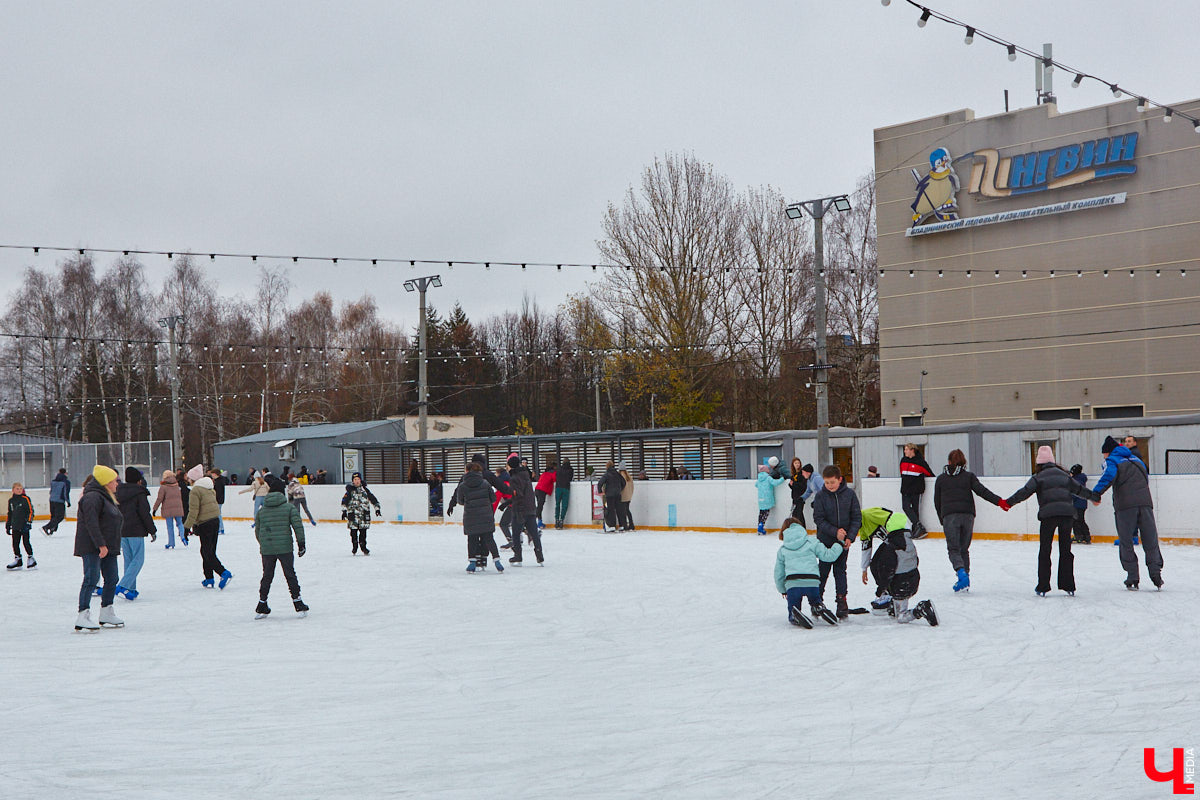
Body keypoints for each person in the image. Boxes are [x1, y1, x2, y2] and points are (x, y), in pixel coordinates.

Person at [1004, 446, 1099, 597]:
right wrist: (1095, 497)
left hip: (1048, 516)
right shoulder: (1065, 476)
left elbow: (1024, 492)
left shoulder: (1038, 477)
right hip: (1067, 515)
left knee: (1045, 550)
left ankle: (1043, 586)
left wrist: (1008, 503)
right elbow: (1080, 490)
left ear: (1039, 463)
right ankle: (1068, 585)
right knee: (1065, 550)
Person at [1091, 435, 1163, 590]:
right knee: (1151, 539)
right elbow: (1145, 480)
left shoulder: (1112, 460)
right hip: (1145, 503)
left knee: (1126, 541)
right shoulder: (1138, 461)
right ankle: (1156, 574)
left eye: (1103, 453)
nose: (1103, 456)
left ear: (1108, 452)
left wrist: (1096, 494)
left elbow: (1107, 477)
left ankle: (1132, 576)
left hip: (1125, 506)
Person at [932, 449, 1007, 593]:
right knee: (963, 549)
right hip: (967, 516)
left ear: (948, 462)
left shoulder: (941, 479)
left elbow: (937, 501)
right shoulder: (969, 477)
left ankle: (961, 574)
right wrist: (999, 502)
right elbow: (982, 491)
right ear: (964, 462)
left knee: (954, 549)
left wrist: (942, 519)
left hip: (949, 516)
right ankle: (965, 579)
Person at [857, 507, 938, 625]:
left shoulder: (870, 515)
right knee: (880, 564)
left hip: (901, 584)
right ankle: (892, 602)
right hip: (913, 579)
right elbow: (866, 547)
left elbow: (887, 570)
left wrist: (881, 589)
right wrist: (864, 569)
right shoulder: (909, 544)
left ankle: (919, 609)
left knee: (901, 616)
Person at [74, 465, 125, 632]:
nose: (117, 484)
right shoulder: (92, 498)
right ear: (105, 482)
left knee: (112, 578)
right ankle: (83, 614)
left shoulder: (106, 496)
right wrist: (101, 545)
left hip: (107, 546)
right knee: (91, 578)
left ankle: (106, 611)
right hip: (92, 546)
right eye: (114, 481)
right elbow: (91, 523)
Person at [774, 516, 848, 628]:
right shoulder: (812, 542)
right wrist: (840, 543)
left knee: (793, 606)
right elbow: (829, 556)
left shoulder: (783, 550)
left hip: (793, 584)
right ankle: (817, 606)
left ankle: (794, 615)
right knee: (815, 599)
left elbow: (778, 573)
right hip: (812, 582)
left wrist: (782, 589)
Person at [254, 474, 309, 619]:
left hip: (267, 550)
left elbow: (257, 531)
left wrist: (265, 543)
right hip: (285, 548)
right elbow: (298, 526)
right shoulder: (289, 508)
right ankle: (297, 602)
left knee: (267, 576)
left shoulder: (262, 510)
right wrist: (301, 544)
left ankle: (262, 603)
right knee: (290, 574)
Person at [811, 464, 860, 619]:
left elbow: (856, 518)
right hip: (825, 541)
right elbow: (818, 519)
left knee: (840, 571)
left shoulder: (850, 495)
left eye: (832, 482)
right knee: (823, 571)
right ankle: (816, 601)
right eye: (827, 483)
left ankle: (841, 601)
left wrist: (849, 537)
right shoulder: (820, 496)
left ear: (840, 479)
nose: (829, 486)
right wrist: (835, 532)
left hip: (843, 543)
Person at [448, 461, 503, 573]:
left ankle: (472, 563)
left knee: (472, 539)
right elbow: (493, 499)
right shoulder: (485, 483)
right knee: (489, 539)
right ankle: (497, 561)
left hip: (471, 516)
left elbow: (460, 501)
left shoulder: (463, 485)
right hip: (486, 516)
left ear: (467, 471)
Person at [184, 464, 232, 590]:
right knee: (209, 551)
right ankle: (209, 578)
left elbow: (193, 510)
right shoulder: (209, 487)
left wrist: (187, 527)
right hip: (214, 520)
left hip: (205, 523)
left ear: (193, 478)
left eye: (189, 478)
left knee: (206, 551)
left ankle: (223, 572)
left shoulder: (195, 490)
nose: (188, 480)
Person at [114, 468, 156, 600]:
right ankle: (123, 585)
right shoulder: (139, 493)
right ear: (139, 480)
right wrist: (152, 530)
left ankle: (130, 589)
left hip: (122, 530)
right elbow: (144, 513)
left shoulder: (117, 491)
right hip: (135, 530)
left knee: (129, 559)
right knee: (138, 559)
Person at [506, 454, 543, 565]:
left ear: (510, 466)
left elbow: (518, 494)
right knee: (534, 533)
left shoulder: (514, 478)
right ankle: (540, 556)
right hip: (531, 507)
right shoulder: (525, 475)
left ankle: (518, 556)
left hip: (520, 509)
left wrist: (512, 504)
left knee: (516, 534)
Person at [341, 472, 382, 555]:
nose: (356, 481)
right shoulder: (350, 491)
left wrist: (377, 509)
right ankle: (355, 545)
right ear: (352, 481)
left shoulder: (365, 490)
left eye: (358, 479)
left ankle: (363, 547)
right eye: (355, 480)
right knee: (353, 533)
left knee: (363, 533)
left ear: (360, 480)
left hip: (363, 515)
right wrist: (344, 511)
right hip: (353, 516)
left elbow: (373, 500)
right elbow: (344, 502)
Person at [899, 444, 934, 538]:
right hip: (905, 489)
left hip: (916, 490)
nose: (904, 451)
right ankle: (919, 526)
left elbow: (930, 474)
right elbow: (902, 474)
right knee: (905, 507)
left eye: (906, 449)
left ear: (912, 450)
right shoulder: (903, 461)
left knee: (915, 510)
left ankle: (916, 530)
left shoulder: (920, 462)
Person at [153, 470, 186, 548]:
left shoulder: (163, 487)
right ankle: (183, 537)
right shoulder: (177, 485)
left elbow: (159, 499)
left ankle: (171, 543)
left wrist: (155, 509)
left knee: (170, 526)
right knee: (180, 523)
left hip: (168, 509)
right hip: (178, 507)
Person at [6, 483, 36, 570]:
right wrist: (8, 524)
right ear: (13, 490)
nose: (19, 490)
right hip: (15, 525)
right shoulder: (11, 501)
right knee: (15, 543)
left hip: (24, 525)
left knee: (26, 542)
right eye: (17, 489)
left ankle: (31, 558)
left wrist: (28, 522)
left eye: (20, 489)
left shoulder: (25, 499)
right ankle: (18, 559)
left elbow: (30, 511)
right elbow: (10, 513)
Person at [755, 464, 787, 535]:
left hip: (760, 499)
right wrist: (782, 479)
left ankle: (760, 525)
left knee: (761, 513)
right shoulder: (768, 478)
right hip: (767, 498)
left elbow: (756, 485)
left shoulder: (759, 479)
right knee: (766, 512)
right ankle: (761, 525)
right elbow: (775, 483)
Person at [597, 460, 625, 533]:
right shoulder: (618, 474)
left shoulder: (606, 474)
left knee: (611, 510)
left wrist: (600, 491)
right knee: (619, 510)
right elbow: (624, 482)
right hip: (618, 494)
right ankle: (621, 525)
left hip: (609, 495)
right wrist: (620, 489)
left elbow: (600, 483)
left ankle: (612, 526)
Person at [1069, 465, 1092, 545]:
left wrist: (1070, 498)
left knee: (1076, 521)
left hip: (1077, 504)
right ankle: (1085, 536)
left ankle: (1079, 536)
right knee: (1080, 520)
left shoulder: (1076, 481)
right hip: (1082, 503)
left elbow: (1075, 493)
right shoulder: (1080, 479)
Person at [44, 468, 71, 535]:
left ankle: (52, 528)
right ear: (65, 473)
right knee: (60, 516)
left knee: (54, 516)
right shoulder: (66, 482)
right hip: (59, 501)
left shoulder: (53, 481)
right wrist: (68, 502)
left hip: (52, 500)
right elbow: (65, 493)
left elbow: (51, 491)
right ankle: (47, 527)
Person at [534, 461, 556, 529]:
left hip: (537, 489)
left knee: (539, 506)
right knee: (540, 507)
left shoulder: (544, 474)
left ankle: (539, 521)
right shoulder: (553, 473)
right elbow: (555, 479)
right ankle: (531, 519)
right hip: (542, 491)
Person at [208, 468, 229, 534]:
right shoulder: (219, 480)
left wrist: (215, 499)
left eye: (212, 474)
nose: (212, 475)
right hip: (219, 500)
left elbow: (218, 492)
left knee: (217, 514)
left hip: (218, 500)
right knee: (217, 514)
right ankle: (220, 528)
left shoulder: (219, 482)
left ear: (215, 474)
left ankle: (220, 528)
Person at [554, 458, 573, 529]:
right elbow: (570, 478)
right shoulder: (570, 469)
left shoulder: (559, 469)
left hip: (558, 487)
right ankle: (561, 520)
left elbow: (556, 477)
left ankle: (556, 520)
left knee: (557, 504)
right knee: (564, 505)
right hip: (566, 488)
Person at [618, 464, 635, 531]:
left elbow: (620, 486)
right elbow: (632, 487)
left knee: (623, 512)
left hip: (623, 496)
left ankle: (625, 525)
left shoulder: (620, 476)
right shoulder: (629, 476)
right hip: (628, 497)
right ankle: (631, 524)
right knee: (627, 510)